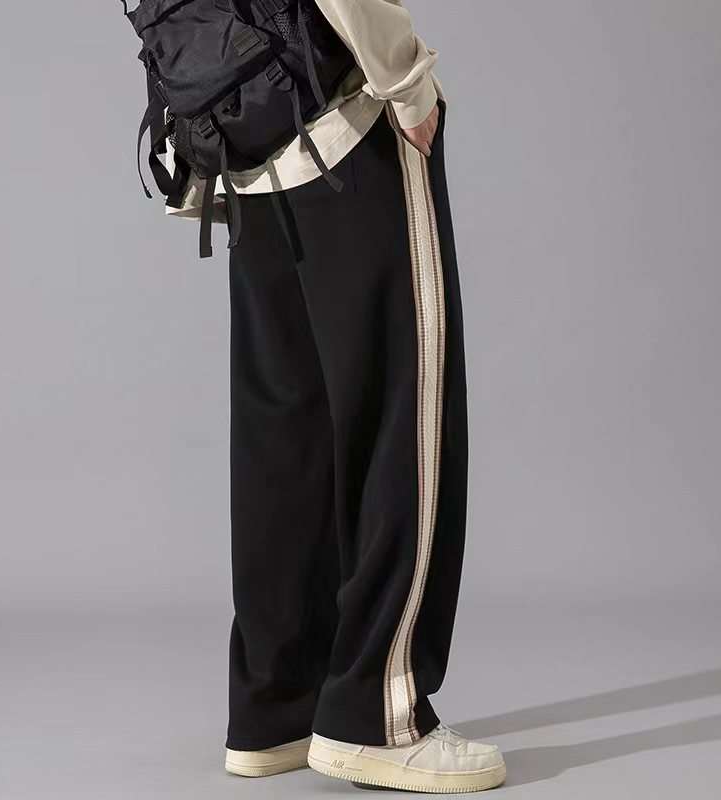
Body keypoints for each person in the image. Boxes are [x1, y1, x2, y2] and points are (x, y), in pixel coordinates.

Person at [166, 0, 506, 792]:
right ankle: (375, 718)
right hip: (343, 122)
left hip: (244, 135)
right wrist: (408, 82)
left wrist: (196, 151)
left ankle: (276, 705)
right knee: (400, 417)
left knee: (285, 434)